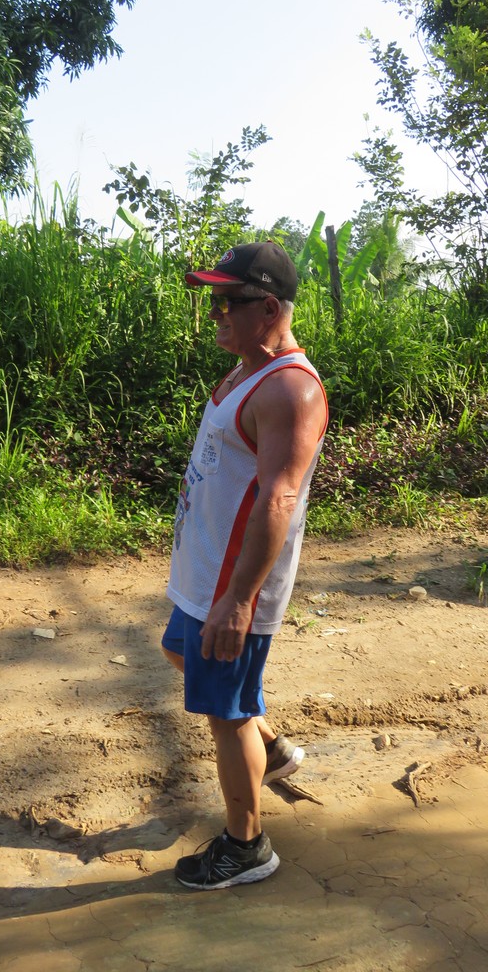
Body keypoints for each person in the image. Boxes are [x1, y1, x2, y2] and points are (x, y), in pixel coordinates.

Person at [161, 241, 328, 890]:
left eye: (227, 302)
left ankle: (246, 845)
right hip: (204, 576)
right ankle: (272, 747)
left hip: (233, 587)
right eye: (212, 301)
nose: (215, 314)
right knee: (179, 650)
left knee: (226, 716)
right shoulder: (245, 372)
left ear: (268, 308)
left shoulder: (290, 390)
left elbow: (278, 498)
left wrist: (237, 600)